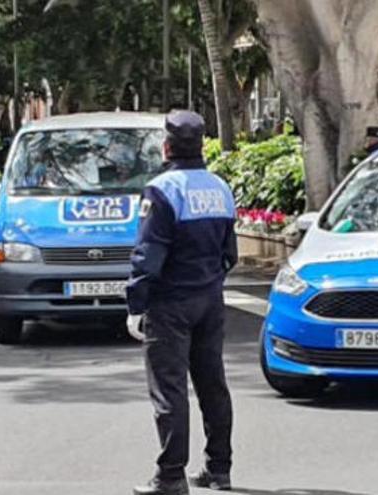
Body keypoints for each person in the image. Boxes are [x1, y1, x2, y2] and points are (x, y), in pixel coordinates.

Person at [126, 110, 238, 495]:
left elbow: (148, 255)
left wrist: (136, 304)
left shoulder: (162, 190)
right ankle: (218, 469)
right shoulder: (221, 188)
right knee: (212, 384)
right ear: (201, 145)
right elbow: (230, 254)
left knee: (169, 389)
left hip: (170, 302)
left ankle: (171, 475)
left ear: (167, 146)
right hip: (210, 298)